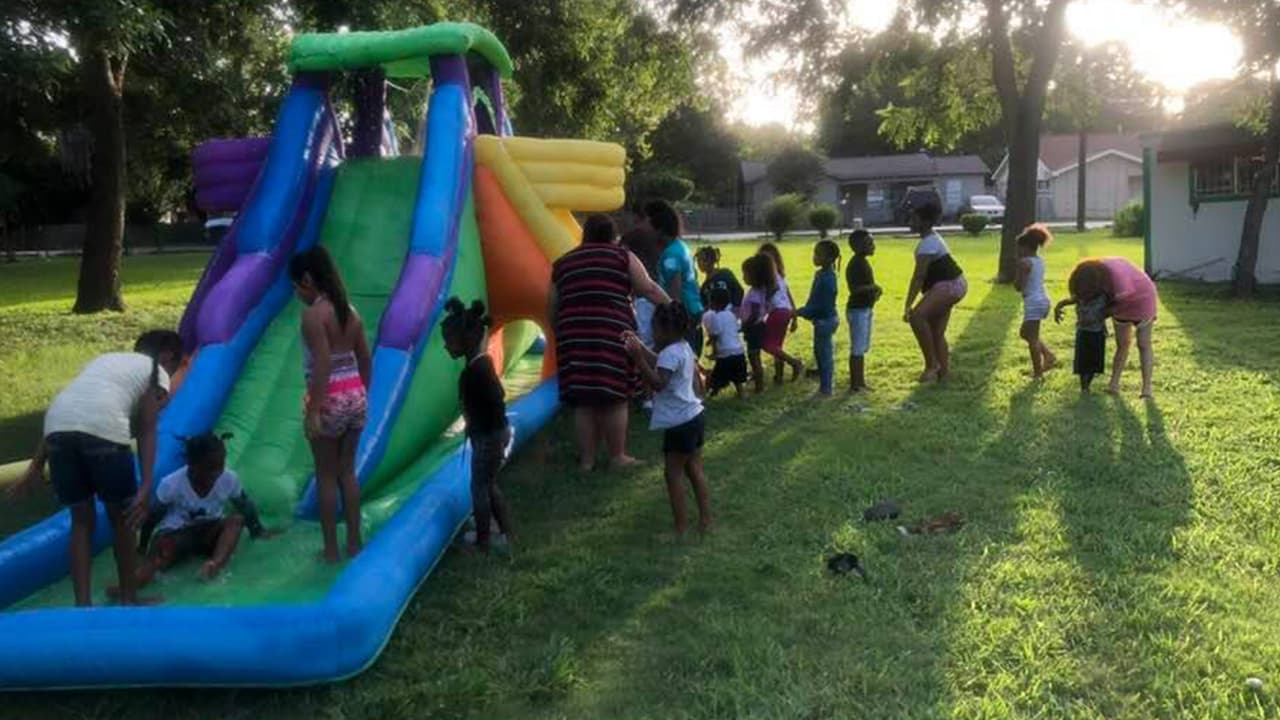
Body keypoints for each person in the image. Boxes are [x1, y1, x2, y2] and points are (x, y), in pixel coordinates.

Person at [12, 330, 185, 606]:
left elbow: (71, 412)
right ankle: (129, 598)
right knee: (124, 520)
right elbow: (147, 428)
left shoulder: (104, 361)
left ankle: (82, 605)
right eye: (177, 366)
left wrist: (36, 467)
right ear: (168, 357)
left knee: (81, 522)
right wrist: (145, 485)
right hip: (103, 432)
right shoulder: (155, 370)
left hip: (57, 428)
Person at [552, 214, 670, 471]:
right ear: (612, 235)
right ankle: (617, 456)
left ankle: (587, 460)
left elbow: (553, 304)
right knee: (615, 395)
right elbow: (647, 288)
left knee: (584, 399)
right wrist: (673, 307)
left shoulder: (563, 262)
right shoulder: (621, 256)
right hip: (611, 332)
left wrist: (560, 332)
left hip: (574, 334)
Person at [290, 246, 371, 563]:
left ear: (308, 280)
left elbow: (322, 362)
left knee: (325, 476)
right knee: (347, 473)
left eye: (296, 286)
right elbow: (364, 357)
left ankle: (331, 550)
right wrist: (363, 394)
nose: (296, 293)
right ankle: (354, 542)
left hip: (328, 399)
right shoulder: (350, 312)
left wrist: (314, 410)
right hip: (355, 396)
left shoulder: (313, 316)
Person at [126, 432, 271, 593]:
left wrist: (257, 530)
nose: (216, 473)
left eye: (220, 466)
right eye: (209, 468)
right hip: (177, 534)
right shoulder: (172, 484)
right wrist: (142, 548)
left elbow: (245, 506)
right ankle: (133, 583)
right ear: (192, 465)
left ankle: (214, 564)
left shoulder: (228, 479)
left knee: (236, 521)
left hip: (209, 532)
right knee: (162, 549)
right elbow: (152, 518)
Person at [623, 303, 712, 538]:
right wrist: (641, 347)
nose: (652, 333)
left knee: (672, 475)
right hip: (694, 416)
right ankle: (705, 520)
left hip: (680, 423)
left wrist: (637, 359)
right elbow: (660, 361)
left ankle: (680, 528)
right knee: (694, 469)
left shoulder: (670, 353)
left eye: (653, 328)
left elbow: (658, 382)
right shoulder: (682, 347)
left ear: (664, 330)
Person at [442, 297, 515, 553]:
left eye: (449, 340)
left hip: (489, 437)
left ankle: (484, 541)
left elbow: (497, 399)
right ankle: (503, 533)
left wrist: (495, 428)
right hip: (491, 434)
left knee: (479, 487)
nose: (445, 345)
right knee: (489, 484)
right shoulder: (478, 365)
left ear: (467, 340)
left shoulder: (476, 371)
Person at [1054, 257, 1158, 397]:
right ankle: (1114, 384)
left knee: (1143, 344)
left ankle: (1147, 389)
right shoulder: (1092, 274)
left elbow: (1123, 296)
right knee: (1122, 344)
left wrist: (1097, 316)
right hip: (1118, 304)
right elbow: (1087, 294)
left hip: (1143, 299)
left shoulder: (1118, 277)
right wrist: (1065, 303)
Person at [903, 200, 967, 383]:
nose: (910, 222)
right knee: (936, 331)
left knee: (916, 317)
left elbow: (918, 277)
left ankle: (932, 365)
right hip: (952, 285)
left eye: (914, 219)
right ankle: (943, 373)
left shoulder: (928, 244)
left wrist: (908, 305)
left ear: (925, 222)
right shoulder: (932, 239)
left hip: (949, 285)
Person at [645, 200, 705, 355]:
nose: (648, 232)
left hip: (684, 314)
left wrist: (671, 325)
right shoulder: (680, 247)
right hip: (694, 307)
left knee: (683, 360)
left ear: (660, 231)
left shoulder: (670, 256)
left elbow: (675, 293)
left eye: (650, 228)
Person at [796, 240, 841, 397]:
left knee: (824, 354)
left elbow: (823, 305)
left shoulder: (829, 279)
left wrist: (803, 312)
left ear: (829, 258)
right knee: (819, 352)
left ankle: (826, 389)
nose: (814, 257)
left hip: (825, 321)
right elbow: (814, 298)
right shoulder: (820, 274)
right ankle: (822, 381)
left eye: (818, 254)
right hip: (820, 320)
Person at [1014, 224, 1058, 379]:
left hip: (1033, 302)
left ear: (1025, 247)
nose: (1017, 252)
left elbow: (1019, 286)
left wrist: (1018, 275)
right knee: (1025, 333)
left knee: (1031, 339)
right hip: (1042, 299)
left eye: (1019, 248)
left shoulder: (1025, 262)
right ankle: (1048, 355)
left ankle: (1038, 372)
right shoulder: (1039, 261)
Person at [754, 252, 805, 384]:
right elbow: (789, 295)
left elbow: (765, 301)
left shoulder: (768, 281)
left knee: (767, 345)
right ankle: (779, 376)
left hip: (777, 313)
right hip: (786, 312)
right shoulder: (780, 277)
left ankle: (794, 362)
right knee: (777, 346)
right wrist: (794, 317)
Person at [845, 230, 882, 393]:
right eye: (869, 243)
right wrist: (873, 287)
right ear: (858, 246)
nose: (873, 246)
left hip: (865, 308)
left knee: (862, 348)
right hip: (857, 310)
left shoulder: (863, 262)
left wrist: (874, 294)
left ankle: (861, 382)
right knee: (857, 349)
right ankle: (855, 385)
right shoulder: (856, 264)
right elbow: (854, 289)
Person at [622, 204, 663, 349]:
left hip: (642, 294)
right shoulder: (654, 236)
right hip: (655, 289)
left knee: (644, 338)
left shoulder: (632, 237)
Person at [702, 288, 748, 398]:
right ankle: (742, 394)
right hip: (738, 351)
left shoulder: (715, 317)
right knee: (737, 378)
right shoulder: (731, 315)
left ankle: (708, 393)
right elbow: (735, 329)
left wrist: (714, 352)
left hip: (725, 353)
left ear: (712, 302)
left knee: (717, 377)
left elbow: (716, 334)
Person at [739, 256, 770, 394]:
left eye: (745, 273)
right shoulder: (758, 290)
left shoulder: (755, 293)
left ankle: (759, 386)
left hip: (754, 328)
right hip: (755, 326)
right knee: (754, 356)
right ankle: (759, 383)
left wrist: (745, 325)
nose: (743, 277)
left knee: (754, 357)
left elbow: (755, 313)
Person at [695, 246, 744, 310]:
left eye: (704, 260)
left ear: (713, 260)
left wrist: (734, 309)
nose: (700, 263)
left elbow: (739, 291)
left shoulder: (726, 273)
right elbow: (705, 306)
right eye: (698, 260)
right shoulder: (704, 287)